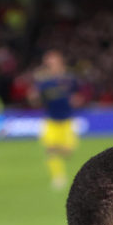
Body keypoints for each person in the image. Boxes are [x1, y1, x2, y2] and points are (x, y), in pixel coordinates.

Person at [29, 49, 83, 188]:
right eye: (47, 62)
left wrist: (77, 100)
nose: (49, 64)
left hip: (67, 120)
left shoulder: (70, 78)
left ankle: (55, 150)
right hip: (51, 120)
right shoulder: (44, 80)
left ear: (60, 61)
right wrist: (33, 96)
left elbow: (80, 95)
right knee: (50, 150)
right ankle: (58, 178)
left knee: (68, 152)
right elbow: (35, 99)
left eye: (52, 61)